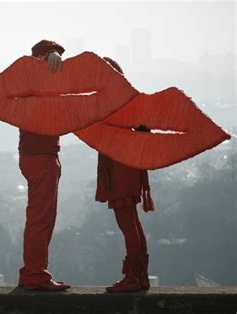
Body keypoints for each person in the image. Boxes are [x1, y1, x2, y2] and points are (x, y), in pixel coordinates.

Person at [96, 57, 155, 293]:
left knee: (127, 224)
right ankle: (140, 275)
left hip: (118, 168)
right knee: (133, 223)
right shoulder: (129, 98)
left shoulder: (110, 102)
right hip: (130, 167)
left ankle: (133, 276)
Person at [18, 40, 70, 291]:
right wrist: (51, 54)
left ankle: (31, 272)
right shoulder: (36, 83)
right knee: (41, 219)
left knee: (39, 218)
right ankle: (36, 275)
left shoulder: (27, 84)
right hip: (41, 157)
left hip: (35, 155)